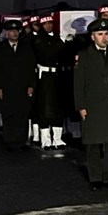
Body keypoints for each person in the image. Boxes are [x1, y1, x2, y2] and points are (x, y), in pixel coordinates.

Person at [74, 18, 108, 190]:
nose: (104, 38)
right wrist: (80, 106)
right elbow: (78, 84)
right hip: (93, 105)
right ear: (92, 37)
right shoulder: (83, 56)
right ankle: (95, 178)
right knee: (93, 143)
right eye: (100, 34)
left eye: (106, 34)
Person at [0, 19, 37, 151]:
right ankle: (9, 139)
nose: (14, 33)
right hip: (7, 87)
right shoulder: (0, 49)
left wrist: (31, 85)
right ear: (7, 33)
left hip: (23, 86)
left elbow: (31, 68)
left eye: (16, 31)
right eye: (11, 31)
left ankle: (21, 140)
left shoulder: (26, 47)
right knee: (8, 113)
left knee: (22, 114)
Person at [33, 14, 66, 150]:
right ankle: (45, 139)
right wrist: (61, 42)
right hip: (45, 76)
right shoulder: (38, 39)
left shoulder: (56, 38)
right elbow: (48, 54)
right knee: (45, 107)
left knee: (58, 106)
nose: (48, 26)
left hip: (57, 75)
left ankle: (57, 138)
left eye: (50, 23)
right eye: (45, 24)